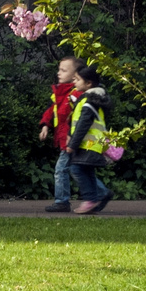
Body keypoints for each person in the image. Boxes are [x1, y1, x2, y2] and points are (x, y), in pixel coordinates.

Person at [66, 63, 114, 214]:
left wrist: (72, 144)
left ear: (88, 83)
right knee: (86, 171)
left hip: (87, 143)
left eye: (77, 80)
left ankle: (90, 199)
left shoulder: (90, 101)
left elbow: (83, 125)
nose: (74, 82)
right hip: (92, 144)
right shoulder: (95, 98)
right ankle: (95, 198)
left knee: (76, 169)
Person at [39, 57, 78, 212]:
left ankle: (62, 201)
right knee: (79, 170)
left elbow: (78, 117)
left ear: (75, 75)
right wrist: (45, 126)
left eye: (64, 70)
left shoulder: (75, 93)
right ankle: (100, 194)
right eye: (59, 69)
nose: (59, 73)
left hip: (71, 140)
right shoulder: (59, 92)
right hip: (65, 139)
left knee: (61, 169)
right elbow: (51, 111)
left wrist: (71, 135)